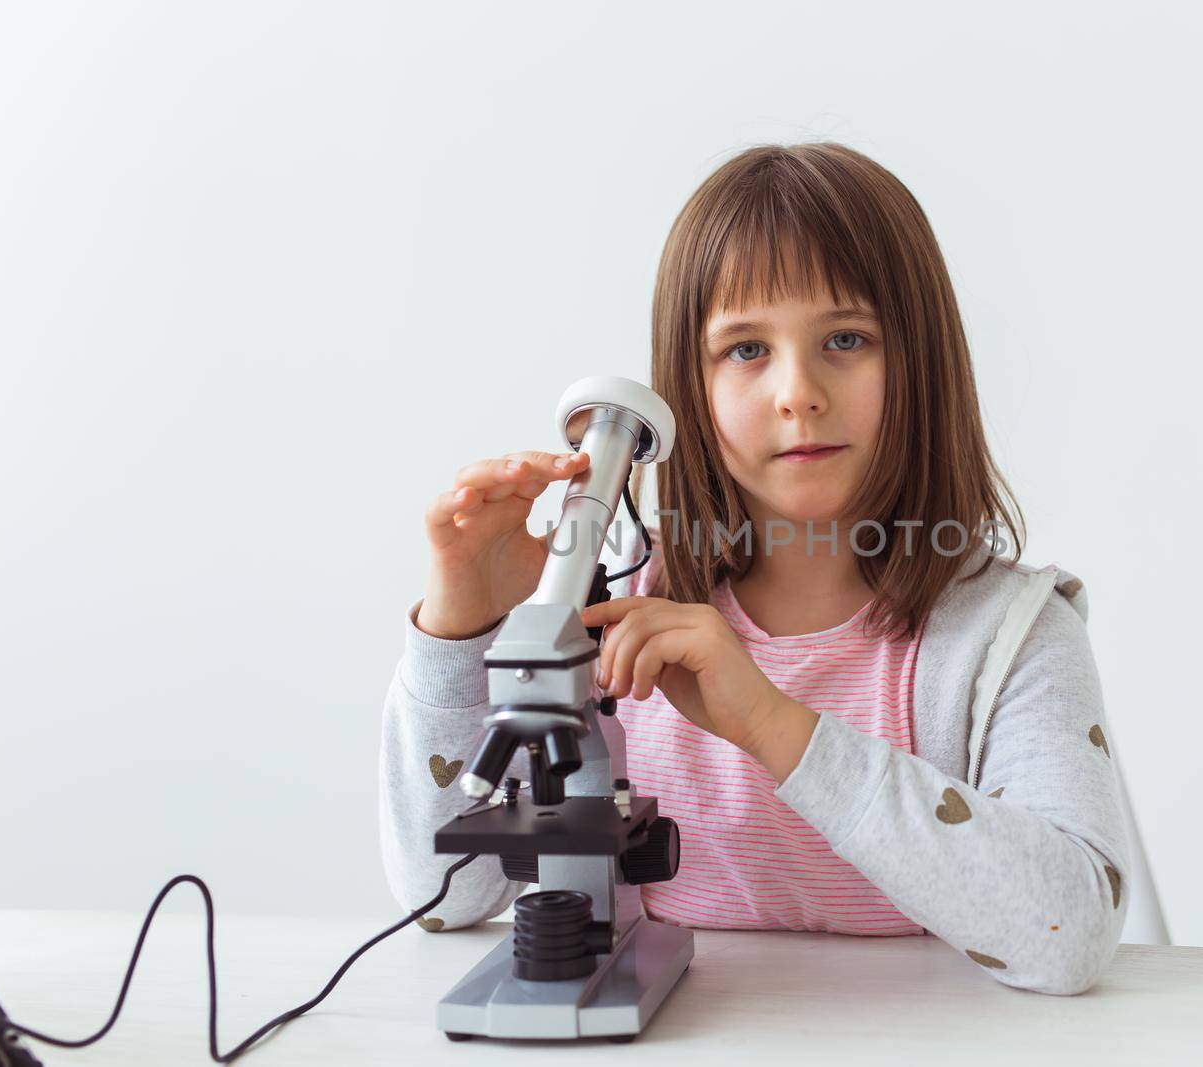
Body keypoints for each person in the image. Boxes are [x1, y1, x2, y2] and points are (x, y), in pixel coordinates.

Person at [379, 142, 1128, 994]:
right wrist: (461, 624)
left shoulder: (1010, 637)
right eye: (744, 350)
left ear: (919, 363)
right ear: (686, 390)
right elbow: (443, 899)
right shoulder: (616, 603)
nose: (797, 391)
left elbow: (1070, 934)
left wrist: (775, 727)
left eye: (846, 338)